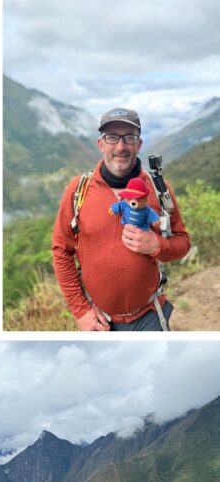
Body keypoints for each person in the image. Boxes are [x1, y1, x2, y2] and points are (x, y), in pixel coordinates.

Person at [52, 106, 190, 331]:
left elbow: (183, 242)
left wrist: (157, 245)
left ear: (139, 143)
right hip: (100, 321)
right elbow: (61, 250)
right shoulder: (78, 190)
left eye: (129, 137)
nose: (121, 146)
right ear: (101, 144)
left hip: (151, 315)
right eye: (112, 137)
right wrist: (81, 311)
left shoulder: (158, 190)